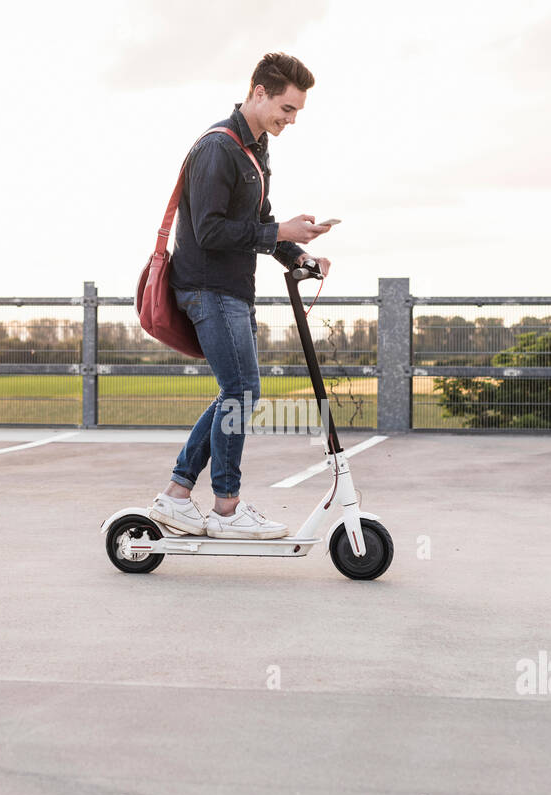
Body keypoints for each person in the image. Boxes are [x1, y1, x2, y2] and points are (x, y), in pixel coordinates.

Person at [149, 52, 332, 540]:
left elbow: (259, 221)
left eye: (295, 112)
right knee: (241, 392)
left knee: (238, 393)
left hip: (233, 292)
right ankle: (225, 510)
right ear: (259, 92)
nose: (290, 120)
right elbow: (209, 231)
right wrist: (277, 231)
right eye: (286, 109)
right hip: (208, 290)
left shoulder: (255, 150)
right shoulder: (218, 148)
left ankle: (176, 496)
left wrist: (296, 254)